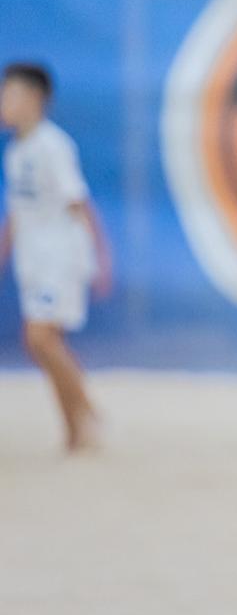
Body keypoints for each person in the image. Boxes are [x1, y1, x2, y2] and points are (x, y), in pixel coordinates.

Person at [1, 62, 112, 452]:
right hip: (32, 260)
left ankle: (86, 410)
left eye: (9, 94)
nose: (4, 102)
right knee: (44, 343)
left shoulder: (53, 146)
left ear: (34, 97)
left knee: (40, 338)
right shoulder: (17, 151)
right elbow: (17, 212)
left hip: (59, 257)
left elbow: (79, 202)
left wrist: (102, 256)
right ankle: (75, 430)